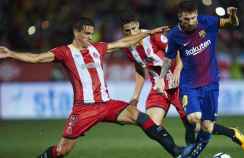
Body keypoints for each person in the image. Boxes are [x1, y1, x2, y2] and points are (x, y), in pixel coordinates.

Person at [0, 17, 186, 158]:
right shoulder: (64, 52)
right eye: (87, 34)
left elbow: (124, 42)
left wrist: (149, 32)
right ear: (77, 33)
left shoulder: (98, 48)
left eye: (92, 33)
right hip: (84, 109)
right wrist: (10, 53)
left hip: (106, 104)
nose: (91, 37)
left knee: (139, 116)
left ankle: (176, 151)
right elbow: (37, 58)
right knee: (62, 150)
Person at [155, 1, 244, 157]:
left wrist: (232, 15)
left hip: (211, 83)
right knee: (194, 118)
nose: (191, 22)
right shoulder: (174, 35)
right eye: (187, 19)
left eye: (193, 18)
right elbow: (168, 59)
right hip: (189, 85)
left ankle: (228, 134)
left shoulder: (208, 22)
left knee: (206, 126)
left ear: (197, 15)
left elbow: (233, 23)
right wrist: (160, 78)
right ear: (180, 17)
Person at [119, 12, 195, 144]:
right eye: (127, 31)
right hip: (159, 87)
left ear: (138, 26)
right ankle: (178, 152)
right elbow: (139, 69)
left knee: (191, 123)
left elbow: (178, 51)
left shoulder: (154, 36)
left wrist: (177, 70)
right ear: (122, 31)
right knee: (152, 125)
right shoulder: (128, 47)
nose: (132, 34)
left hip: (177, 82)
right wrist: (135, 96)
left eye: (133, 29)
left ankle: (229, 134)